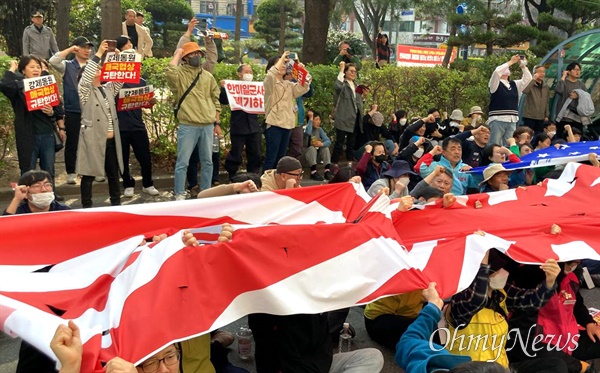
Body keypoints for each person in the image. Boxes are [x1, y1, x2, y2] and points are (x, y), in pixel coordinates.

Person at [445, 247, 561, 370]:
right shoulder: (461, 302)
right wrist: (483, 257)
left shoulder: (501, 295)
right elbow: (477, 298)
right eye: (499, 269)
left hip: (500, 368)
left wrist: (550, 282)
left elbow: (533, 301)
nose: (504, 273)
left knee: (555, 365)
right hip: (472, 370)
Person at [166, 41, 221, 200]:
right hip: (188, 125)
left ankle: (206, 192)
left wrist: (216, 122)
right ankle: (179, 193)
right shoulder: (180, 74)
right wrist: (177, 53)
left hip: (207, 125)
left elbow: (215, 98)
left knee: (208, 162)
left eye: (197, 53)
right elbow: (170, 72)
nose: (195, 56)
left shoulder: (207, 76)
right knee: (182, 162)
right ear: (185, 58)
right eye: (191, 54)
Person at [0, 56, 64, 190]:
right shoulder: (18, 86)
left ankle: (51, 195)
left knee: (49, 169)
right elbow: (5, 85)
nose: (36, 70)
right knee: (28, 170)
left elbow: (58, 109)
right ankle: (27, 197)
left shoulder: (47, 86)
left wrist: (51, 112)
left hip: (47, 134)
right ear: (23, 70)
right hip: (28, 135)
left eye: (38, 67)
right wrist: (12, 69)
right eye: (32, 67)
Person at [77, 40, 124, 208]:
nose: (99, 69)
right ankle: (87, 207)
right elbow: (86, 78)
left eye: (99, 67)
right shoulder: (84, 91)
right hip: (93, 139)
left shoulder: (107, 88)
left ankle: (116, 204)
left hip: (111, 140)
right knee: (88, 175)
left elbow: (120, 78)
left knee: (113, 174)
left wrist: (120, 60)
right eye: (96, 69)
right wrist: (98, 54)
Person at [114, 41, 159, 197]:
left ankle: (148, 183)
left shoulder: (141, 81)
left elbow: (146, 104)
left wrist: (151, 102)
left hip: (138, 125)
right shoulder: (114, 82)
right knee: (123, 159)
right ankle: (128, 183)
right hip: (120, 126)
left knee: (145, 157)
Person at [49, 36, 94, 185]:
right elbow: (53, 61)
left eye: (89, 48)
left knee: (91, 141)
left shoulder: (92, 65)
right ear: (76, 48)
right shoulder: (67, 65)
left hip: (91, 109)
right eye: (84, 47)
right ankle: (71, 172)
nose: (87, 50)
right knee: (73, 142)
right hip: (73, 109)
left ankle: (90, 171)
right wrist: (69, 49)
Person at [262, 51, 311, 171]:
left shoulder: (288, 84)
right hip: (274, 124)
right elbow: (270, 75)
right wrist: (282, 57)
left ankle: (278, 184)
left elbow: (304, 86)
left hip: (287, 125)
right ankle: (265, 184)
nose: (284, 65)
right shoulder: (270, 83)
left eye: (285, 63)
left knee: (281, 160)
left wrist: (301, 71)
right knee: (271, 159)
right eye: (281, 64)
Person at [219, 64, 262, 180]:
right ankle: (232, 175)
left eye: (251, 71)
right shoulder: (234, 87)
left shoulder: (256, 88)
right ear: (239, 74)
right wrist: (224, 88)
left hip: (253, 126)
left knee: (255, 153)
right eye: (246, 71)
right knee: (236, 153)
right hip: (238, 125)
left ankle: (254, 176)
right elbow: (223, 101)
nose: (249, 74)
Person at [487, 55, 532, 147]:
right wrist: (511, 62)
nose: (506, 69)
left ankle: (507, 161)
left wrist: (522, 65)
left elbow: (528, 79)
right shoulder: (495, 83)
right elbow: (496, 72)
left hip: (512, 119)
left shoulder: (514, 84)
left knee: (509, 144)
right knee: (495, 145)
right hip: (497, 118)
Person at [332, 62, 363, 164]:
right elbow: (337, 87)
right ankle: (334, 165)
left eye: (355, 71)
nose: (353, 73)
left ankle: (350, 165)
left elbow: (358, 102)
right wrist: (341, 69)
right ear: (345, 72)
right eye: (351, 71)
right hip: (343, 117)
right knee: (339, 143)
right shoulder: (343, 84)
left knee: (351, 144)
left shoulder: (357, 85)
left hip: (354, 118)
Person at [555, 62, 591, 137]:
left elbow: (587, 97)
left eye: (579, 70)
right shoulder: (564, 83)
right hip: (564, 117)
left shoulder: (581, 84)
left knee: (577, 138)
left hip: (577, 118)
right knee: (563, 138)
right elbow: (558, 90)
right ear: (569, 71)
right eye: (575, 70)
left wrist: (578, 95)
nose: (577, 72)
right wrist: (564, 76)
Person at [305, 110, 333, 181]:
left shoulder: (319, 130)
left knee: (325, 148)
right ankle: (313, 172)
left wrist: (321, 144)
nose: (319, 122)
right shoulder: (306, 128)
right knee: (312, 148)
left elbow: (328, 141)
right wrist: (310, 119)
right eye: (316, 120)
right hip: (305, 156)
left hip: (316, 156)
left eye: (319, 119)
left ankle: (327, 171)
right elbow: (308, 133)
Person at [521, 65, 549, 134]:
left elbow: (546, 101)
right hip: (530, 116)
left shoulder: (546, 87)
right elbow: (525, 91)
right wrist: (533, 80)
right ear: (534, 73)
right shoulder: (530, 84)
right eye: (540, 72)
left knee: (539, 135)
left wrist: (546, 115)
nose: (542, 74)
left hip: (541, 117)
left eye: (543, 72)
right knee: (528, 134)